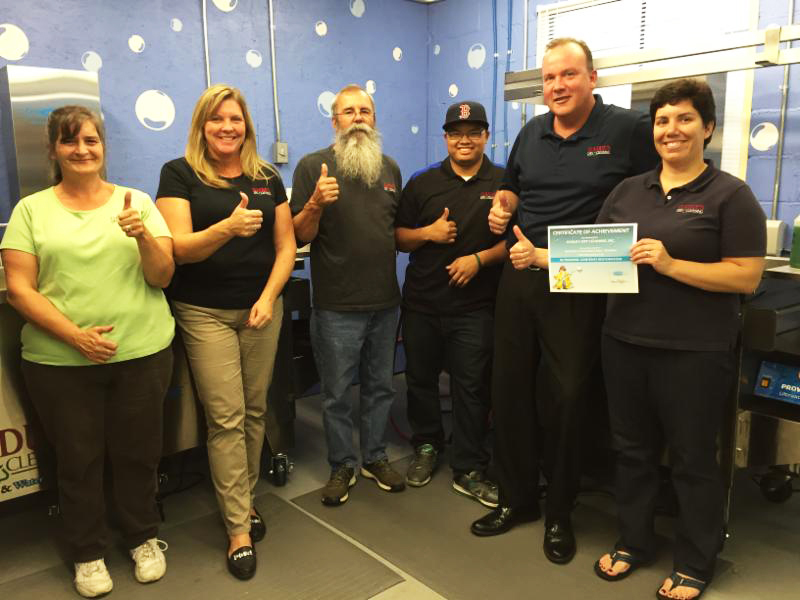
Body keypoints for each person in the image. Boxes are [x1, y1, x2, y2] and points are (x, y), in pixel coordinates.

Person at [470, 37, 659, 566]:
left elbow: (657, 190)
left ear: (592, 79)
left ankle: (560, 511)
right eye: (550, 78)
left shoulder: (627, 131)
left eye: (569, 75)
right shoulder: (531, 132)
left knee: (569, 396)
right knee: (508, 388)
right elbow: (512, 189)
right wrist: (502, 209)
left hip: (583, 275)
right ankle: (517, 499)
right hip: (523, 271)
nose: (557, 86)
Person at [592, 79, 765, 600]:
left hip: (694, 352)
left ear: (707, 128)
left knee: (692, 458)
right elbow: (596, 257)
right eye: (663, 120)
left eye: (685, 119)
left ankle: (695, 559)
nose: (672, 129)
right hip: (624, 341)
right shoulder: (628, 191)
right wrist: (543, 259)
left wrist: (671, 264)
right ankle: (634, 540)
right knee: (631, 451)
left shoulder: (730, 196)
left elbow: (745, 277)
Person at [0, 105, 175, 598]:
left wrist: (143, 236)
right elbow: (20, 289)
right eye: (71, 142)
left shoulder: (135, 201)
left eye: (91, 141)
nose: (82, 150)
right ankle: (88, 552)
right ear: (54, 149)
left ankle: (142, 537)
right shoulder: (31, 211)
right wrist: (76, 336)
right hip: (61, 364)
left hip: (141, 353)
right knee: (78, 460)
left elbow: (162, 276)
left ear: (103, 147)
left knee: (139, 454)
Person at [155, 84, 296, 580]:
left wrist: (267, 298)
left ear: (246, 126)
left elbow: (286, 247)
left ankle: (245, 500)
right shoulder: (179, 174)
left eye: (235, 119)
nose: (227, 128)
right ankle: (238, 526)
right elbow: (177, 250)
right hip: (204, 312)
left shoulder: (267, 177)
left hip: (260, 309)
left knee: (256, 410)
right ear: (202, 125)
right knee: (226, 416)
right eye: (216, 120)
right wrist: (226, 229)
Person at [291, 84, 404, 506]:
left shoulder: (390, 168)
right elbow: (300, 235)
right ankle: (342, 463)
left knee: (380, 387)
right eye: (348, 111)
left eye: (365, 111)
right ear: (334, 120)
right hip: (337, 307)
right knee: (337, 394)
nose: (357, 117)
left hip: (385, 302)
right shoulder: (312, 167)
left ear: (374, 119)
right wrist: (316, 203)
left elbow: (396, 230)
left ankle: (374, 457)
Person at [395, 101, 506, 507]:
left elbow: (516, 241)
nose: (465, 140)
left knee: (471, 387)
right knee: (420, 381)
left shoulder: (504, 182)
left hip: (476, 307)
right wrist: (429, 233)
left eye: (474, 132)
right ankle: (427, 446)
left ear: (486, 137)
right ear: (445, 137)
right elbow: (399, 238)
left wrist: (479, 260)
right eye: (457, 133)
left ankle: (469, 466)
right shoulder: (422, 182)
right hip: (423, 303)